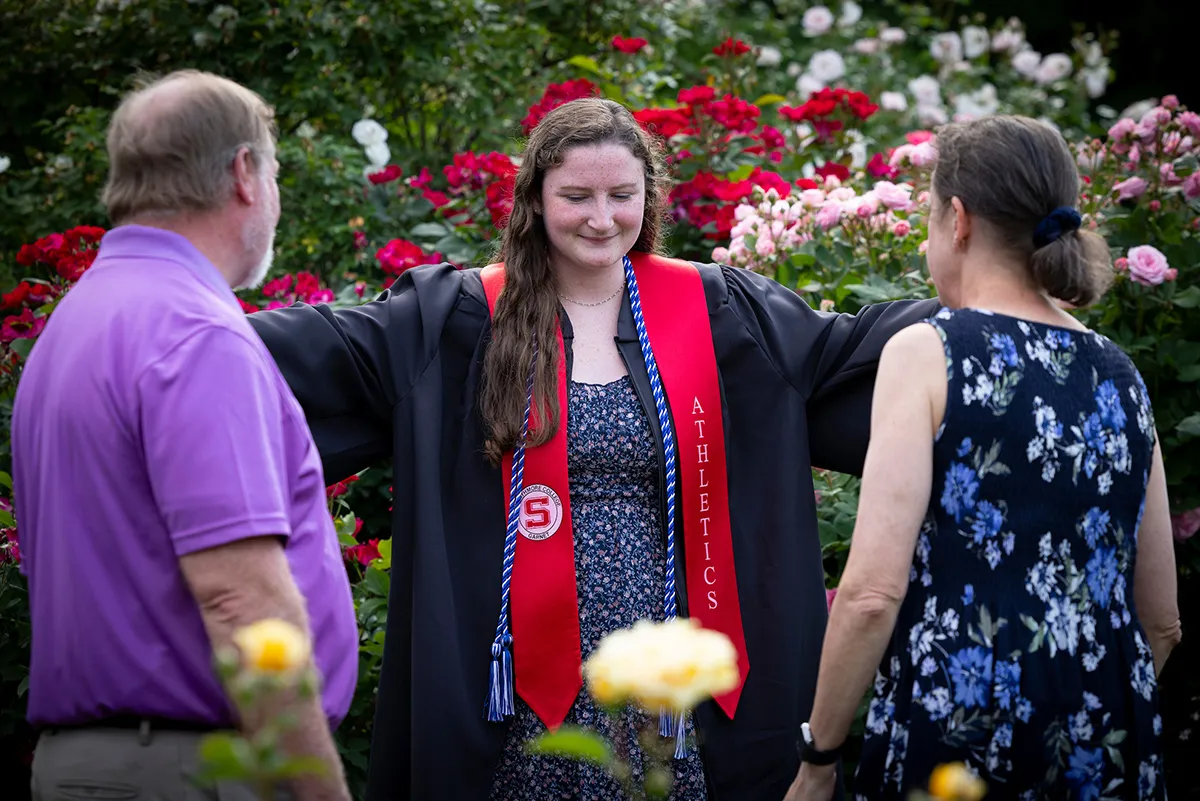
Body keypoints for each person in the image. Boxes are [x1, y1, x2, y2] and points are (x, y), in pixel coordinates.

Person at [246, 96, 941, 801]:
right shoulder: (458, 321)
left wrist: (995, 303)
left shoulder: (719, 313)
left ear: (650, 196)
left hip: (664, 668)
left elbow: (852, 353)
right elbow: (320, 353)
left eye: (622, 195)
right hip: (522, 678)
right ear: (535, 200)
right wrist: (176, 314)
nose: (602, 218)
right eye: (576, 196)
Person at [785, 115, 1182, 801]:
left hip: (956, 733)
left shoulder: (929, 351)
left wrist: (818, 755)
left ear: (958, 220)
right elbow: (1163, 620)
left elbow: (872, 594)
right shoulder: (1119, 371)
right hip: (1108, 738)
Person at [12, 70, 357, 801]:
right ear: (243, 173)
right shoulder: (195, 332)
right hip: (197, 770)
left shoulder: (75, 321)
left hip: (92, 764)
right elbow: (240, 599)